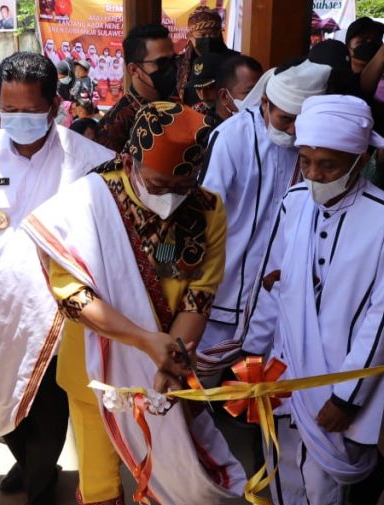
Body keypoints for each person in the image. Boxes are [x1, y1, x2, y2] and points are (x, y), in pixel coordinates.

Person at [23, 102, 246, 505]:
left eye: (181, 185)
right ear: (131, 158)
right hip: (95, 362)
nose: (170, 195)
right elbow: (71, 296)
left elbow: (199, 295)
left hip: (172, 359)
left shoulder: (207, 209)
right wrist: (145, 341)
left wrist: (170, 357)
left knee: (176, 451)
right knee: (96, 460)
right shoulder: (88, 201)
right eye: (159, 183)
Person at [242, 95, 384, 505]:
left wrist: (347, 395)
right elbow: (272, 282)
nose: (314, 174)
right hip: (286, 359)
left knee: (323, 467)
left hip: (337, 373)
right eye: (306, 160)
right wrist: (254, 356)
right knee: (286, 450)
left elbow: (383, 319)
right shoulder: (294, 200)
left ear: (361, 160)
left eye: (329, 165)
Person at [0, 52, 114, 505]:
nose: (17, 120)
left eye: (29, 111)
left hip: (57, 320)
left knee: (47, 416)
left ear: (55, 106)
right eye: (8, 110)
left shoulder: (89, 163)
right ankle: (29, 465)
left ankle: (40, 489)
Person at [197, 60, 332, 375]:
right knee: (203, 384)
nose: (293, 129)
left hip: (276, 297)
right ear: (265, 102)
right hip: (225, 291)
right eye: (286, 118)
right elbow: (204, 216)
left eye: (301, 120)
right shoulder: (231, 137)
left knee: (262, 387)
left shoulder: (310, 146)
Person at [96, 24, 177, 153]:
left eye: (173, 59)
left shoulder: (179, 106)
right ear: (134, 69)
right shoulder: (114, 126)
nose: (171, 67)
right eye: (161, 63)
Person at [176, 6, 237, 105]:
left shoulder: (235, 60)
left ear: (219, 34)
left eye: (213, 34)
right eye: (202, 35)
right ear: (190, 36)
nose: (208, 39)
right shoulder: (180, 64)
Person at [212, 54, 263, 122]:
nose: (260, 98)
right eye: (249, 92)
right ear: (224, 97)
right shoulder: (207, 128)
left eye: (261, 91)